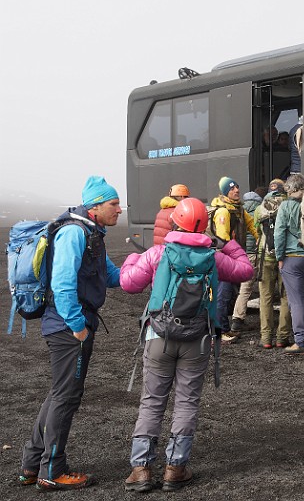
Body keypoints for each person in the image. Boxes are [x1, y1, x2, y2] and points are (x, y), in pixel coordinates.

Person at [120, 198, 253, 492]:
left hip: (159, 337)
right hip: (198, 339)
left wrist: (131, 259)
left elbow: (128, 283)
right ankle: (175, 469)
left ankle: (141, 469)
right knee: (187, 402)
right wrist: (228, 243)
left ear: (175, 221)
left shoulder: (158, 253)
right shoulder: (213, 257)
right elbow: (245, 271)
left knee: (152, 401)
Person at [19, 176, 122, 491]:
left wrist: (149, 264)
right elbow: (63, 284)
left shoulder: (92, 234)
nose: (120, 209)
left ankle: (31, 465)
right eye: (113, 204)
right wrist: (77, 327)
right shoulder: (74, 234)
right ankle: (52, 470)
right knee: (66, 396)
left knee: (58, 394)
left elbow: (113, 277)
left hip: (69, 325)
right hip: (68, 328)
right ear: (95, 207)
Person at [273, 174, 304, 354]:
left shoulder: (286, 206)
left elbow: (279, 233)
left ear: (290, 189)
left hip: (293, 258)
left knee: (296, 301)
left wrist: (279, 256)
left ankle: (301, 342)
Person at [209, 176, 259, 344]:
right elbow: (223, 239)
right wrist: (233, 259)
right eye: (232, 189)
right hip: (226, 259)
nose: (236, 190)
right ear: (225, 192)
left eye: (237, 187)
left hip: (233, 257)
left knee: (228, 294)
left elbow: (251, 224)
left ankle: (223, 328)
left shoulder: (238, 209)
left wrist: (259, 236)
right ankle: (221, 331)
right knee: (222, 295)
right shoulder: (224, 211)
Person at [254, 178, 292, 348]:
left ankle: (266, 338)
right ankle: (282, 337)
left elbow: (257, 231)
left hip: (266, 257)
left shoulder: (260, 208)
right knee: (286, 297)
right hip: (286, 258)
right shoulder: (290, 205)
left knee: (266, 298)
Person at [230, 190, 263, 333]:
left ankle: (237, 319)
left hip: (243, 253)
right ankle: (264, 320)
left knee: (244, 288)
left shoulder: (239, 210)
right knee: (263, 286)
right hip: (257, 252)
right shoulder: (261, 210)